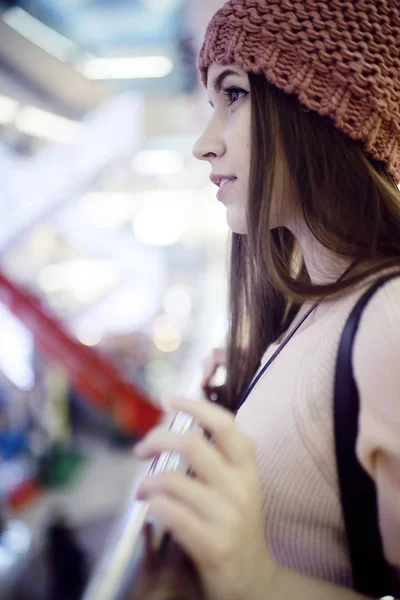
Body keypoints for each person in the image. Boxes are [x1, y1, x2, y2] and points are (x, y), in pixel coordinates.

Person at [133, 1, 400, 599]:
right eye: (211, 103)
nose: (204, 144)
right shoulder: (313, 302)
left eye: (234, 94)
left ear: (321, 105)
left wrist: (259, 578)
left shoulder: (388, 319)